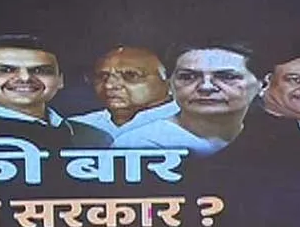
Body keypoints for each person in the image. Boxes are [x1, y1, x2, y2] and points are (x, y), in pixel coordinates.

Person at [111, 42, 262, 156]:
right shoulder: (139, 144)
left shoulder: (267, 138)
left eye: (227, 77)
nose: (206, 87)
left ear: (263, 84)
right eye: (188, 77)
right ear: (170, 85)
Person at [0, 34, 111, 147]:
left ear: (60, 80)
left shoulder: (93, 137)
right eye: (6, 70)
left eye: (39, 70)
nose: (25, 78)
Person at [70, 46, 178, 139]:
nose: (109, 85)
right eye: (103, 76)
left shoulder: (184, 123)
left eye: (131, 75)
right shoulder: (74, 128)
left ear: (169, 83)